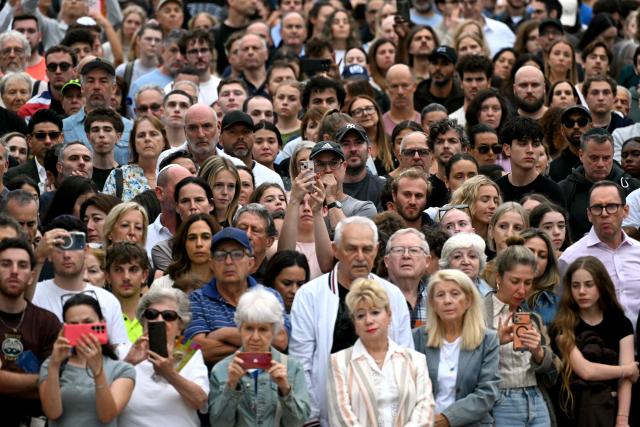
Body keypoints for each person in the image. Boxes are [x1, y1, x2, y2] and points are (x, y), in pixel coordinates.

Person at [289, 216, 413, 425]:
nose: (360, 257)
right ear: (335, 250)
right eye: (351, 249)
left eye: (367, 249)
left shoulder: (393, 295)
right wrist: (311, 419)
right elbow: (301, 364)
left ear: (376, 250)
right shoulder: (310, 294)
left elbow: (404, 359)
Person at [327, 278, 435, 426]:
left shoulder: (416, 360)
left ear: (389, 315)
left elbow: (425, 410)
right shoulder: (338, 362)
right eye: (360, 315)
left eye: (375, 312)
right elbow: (341, 416)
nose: (368, 320)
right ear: (354, 324)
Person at [551, 256, 638, 427]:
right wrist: (626, 369)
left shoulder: (621, 323)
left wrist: (622, 419)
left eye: (589, 284)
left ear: (601, 285)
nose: (581, 291)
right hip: (573, 410)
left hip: (611, 409)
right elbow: (586, 371)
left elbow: (626, 381)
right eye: (575, 286)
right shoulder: (562, 326)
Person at [184, 227, 289, 364]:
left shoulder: (269, 295)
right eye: (221, 255)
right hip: (217, 382)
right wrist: (259, 344)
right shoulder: (197, 299)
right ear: (211, 264)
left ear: (251, 263)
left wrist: (222, 334)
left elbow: (281, 341)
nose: (228, 262)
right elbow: (196, 351)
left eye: (237, 254)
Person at [209, 287, 311, 425]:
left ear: (274, 331)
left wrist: (285, 389)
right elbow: (219, 424)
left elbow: (298, 422)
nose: (255, 337)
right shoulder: (221, 369)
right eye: (249, 328)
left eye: (263, 329)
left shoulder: (292, 367)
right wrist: (231, 386)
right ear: (239, 329)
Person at [485, 237, 559, 427]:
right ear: (499, 278)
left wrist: (539, 353)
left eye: (528, 283)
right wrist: (494, 341)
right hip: (500, 400)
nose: (522, 289)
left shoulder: (532, 318)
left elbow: (554, 374)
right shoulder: (479, 312)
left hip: (536, 396)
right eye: (515, 281)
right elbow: (464, 364)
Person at [413, 269, 500, 426]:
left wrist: (448, 418)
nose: (447, 301)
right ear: (432, 303)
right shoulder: (417, 338)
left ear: (468, 300)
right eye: (440, 295)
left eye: (455, 294)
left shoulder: (488, 339)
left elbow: (487, 393)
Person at [38, 294, 135, 427]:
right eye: (74, 325)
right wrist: (54, 365)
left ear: (102, 323)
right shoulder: (51, 364)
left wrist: (98, 372)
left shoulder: (122, 369)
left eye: (88, 322)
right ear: (64, 328)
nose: (82, 330)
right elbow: (52, 413)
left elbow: (106, 416)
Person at [32, 215, 128, 345]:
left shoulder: (108, 301)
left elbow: (118, 354)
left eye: (74, 244)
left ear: (86, 250)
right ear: (49, 254)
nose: (67, 255)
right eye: (60, 246)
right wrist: (38, 257)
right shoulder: (34, 295)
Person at [119, 287, 209, 427]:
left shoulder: (190, 353)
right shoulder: (124, 350)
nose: (159, 320)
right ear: (143, 321)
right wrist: (129, 362)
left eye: (168, 316)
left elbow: (200, 402)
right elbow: (102, 397)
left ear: (180, 325)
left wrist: (170, 374)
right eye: (151, 314)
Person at [559, 181, 640, 330]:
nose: (604, 214)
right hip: (594, 348)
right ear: (589, 214)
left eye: (611, 206)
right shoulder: (571, 258)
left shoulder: (638, 252)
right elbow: (562, 311)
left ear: (626, 210)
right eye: (597, 208)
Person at [0, 238, 61, 427]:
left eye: (23, 265)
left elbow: (57, 384)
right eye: (6, 264)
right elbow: (48, 379)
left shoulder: (48, 322)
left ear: (32, 276)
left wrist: (7, 378)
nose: (15, 271)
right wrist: (42, 378)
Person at [62, 58, 133, 166]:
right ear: (82, 88)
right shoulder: (64, 127)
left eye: (103, 81)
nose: (96, 87)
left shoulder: (130, 128)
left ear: (113, 88)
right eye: (90, 81)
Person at [497, 117, 566, 207]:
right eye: (523, 143)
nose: (530, 150)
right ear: (507, 149)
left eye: (536, 144)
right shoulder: (497, 189)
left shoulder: (552, 191)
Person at [103, 115, 170, 201]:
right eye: (141, 135)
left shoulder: (174, 173)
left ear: (164, 141)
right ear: (134, 143)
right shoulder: (118, 176)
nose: (147, 139)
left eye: (153, 134)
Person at [152, 213, 219, 289]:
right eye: (192, 238)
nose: (199, 244)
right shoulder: (162, 285)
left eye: (205, 237)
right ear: (184, 243)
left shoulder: (228, 283)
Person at [5, 109, 62, 192]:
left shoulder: (72, 173)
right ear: (29, 140)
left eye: (53, 135)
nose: (48, 141)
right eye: (41, 135)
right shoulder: (12, 176)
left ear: (62, 138)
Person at [383, 228, 431, 328]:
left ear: (427, 261)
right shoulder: (373, 298)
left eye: (414, 250)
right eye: (399, 250)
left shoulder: (437, 299)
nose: (406, 255)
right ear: (387, 261)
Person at [105, 242, 149, 343]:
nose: (126, 277)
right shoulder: (99, 316)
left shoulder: (159, 315)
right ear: (107, 276)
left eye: (133, 270)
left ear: (144, 276)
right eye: (118, 270)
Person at [145, 164, 191, 258]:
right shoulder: (144, 237)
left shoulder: (205, 235)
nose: (187, 194)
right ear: (160, 193)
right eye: (180, 187)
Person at [337, 123, 385, 206]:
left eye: (358, 142)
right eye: (345, 144)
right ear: (336, 152)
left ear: (369, 150)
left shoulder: (382, 187)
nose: (353, 149)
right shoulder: (327, 188)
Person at [519, 229, 561, 326]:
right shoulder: (495, 295)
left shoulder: (557, 304)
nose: (535, 259)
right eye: (528, 251)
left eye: (542, 256)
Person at [232, 203, 278, 283]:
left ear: (269, 241)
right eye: (243, 228)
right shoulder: (221, 268)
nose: (247, 235)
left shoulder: (275, 278)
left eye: (255, 230)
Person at [449, 175, 502, 240]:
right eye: (485, 200)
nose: (493, 206)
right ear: (467, 201)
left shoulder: (500, 238)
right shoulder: (452, 235)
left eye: (496, 201)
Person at [439, 232, 492, 296]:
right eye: (457, 257)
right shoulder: (436, 293)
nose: (466, 262)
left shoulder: (491, 294)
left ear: (480, 262)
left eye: (472, 256)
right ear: (447, 264)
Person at [549, 105, 593, 183]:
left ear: (591, 126)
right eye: (569, 123)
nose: (576, 126)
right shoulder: (553, 169)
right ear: (562, 130)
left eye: (582, 122)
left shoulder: (603, 161)